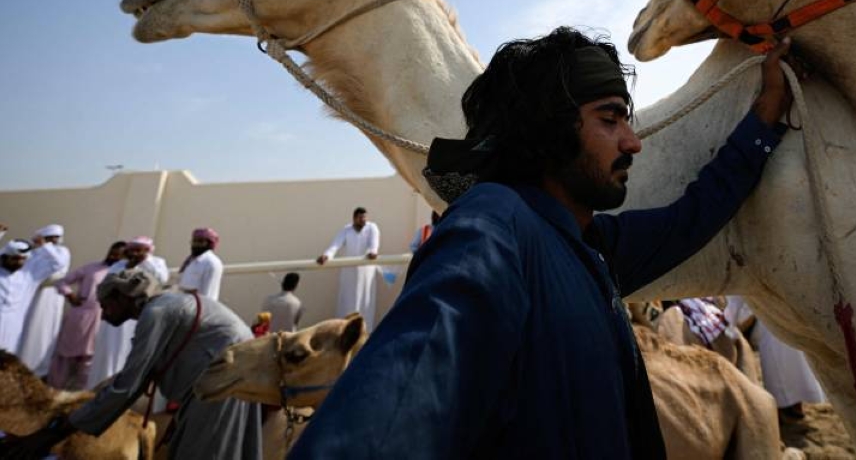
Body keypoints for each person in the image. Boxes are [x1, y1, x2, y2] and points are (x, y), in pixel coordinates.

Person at [291, 27, 793, 458]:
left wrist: (766, 116)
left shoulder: (592, 248)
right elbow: (391, 414)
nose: (633, 142)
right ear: (551, 130)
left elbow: (694, 217)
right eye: (610, 119)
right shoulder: (491, 228)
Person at [0, 267, 262, 460]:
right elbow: (131, 378)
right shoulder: (166, 306)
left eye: (106, 306)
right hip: (218, 384)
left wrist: (55, 432)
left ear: (122, 297)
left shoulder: (156, 312)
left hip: (221, 386)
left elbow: (128, 386)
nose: (103, 316)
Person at [88, 236, 170, 388]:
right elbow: (109, 282)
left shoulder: (156, 263)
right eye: (133, 249)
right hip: (117, 314)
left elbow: (161, 278)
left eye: (139, 250)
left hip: (135, 315)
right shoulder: (119, 264)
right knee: (108, 350)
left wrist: (144, 262)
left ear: (147, 250)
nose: (135, 253)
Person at [725, 296, 825, 420]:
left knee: (785, 332)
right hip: (748, 316)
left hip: (768, 312)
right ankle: (783, 404)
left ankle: (792, 402)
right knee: (775, 336)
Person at [48, 241, 127, 390]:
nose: (113, 256)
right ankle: (54, 388)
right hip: (80, 316)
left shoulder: (123, 273)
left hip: (102, 320)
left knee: (89, 360)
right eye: (112, 251)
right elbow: (62, 282)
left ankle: (78, 396)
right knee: (65, 355)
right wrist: (70, 295)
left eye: (118, 254)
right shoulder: (92, 268)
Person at [17, 224, 72, 376]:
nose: (53, 241)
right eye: (49, 238)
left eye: (55, 238)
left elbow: (58, 265)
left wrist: (45, 247)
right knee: (26, 329)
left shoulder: (61, 252)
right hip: (31, 294)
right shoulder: (34, 254)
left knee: (43, 330)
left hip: (49, 295)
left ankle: (38, 370)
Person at [317, 207, 381, 330]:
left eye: (364, 218)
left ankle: (365, 331)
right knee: (347, 301)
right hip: (349, 272)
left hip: (366, 271)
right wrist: (326, 256)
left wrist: (372, 252)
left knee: (365, 300)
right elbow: (335, 245)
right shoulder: (346, 229)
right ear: (354, 218)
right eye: (360, 218)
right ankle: (343, 330)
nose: (363, 220)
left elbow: (374, 244)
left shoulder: (372, 227)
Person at [0, 240, 58, 353]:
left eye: (22, 259)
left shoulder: (29, 276)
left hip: (12, 326)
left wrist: (45, 246)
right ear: (5, 257)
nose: (19, 262)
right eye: (15, 259)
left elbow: (58, 264)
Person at [178, 226, 224, 300]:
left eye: (200, 241)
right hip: (185, 305)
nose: (195, 244)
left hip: (201, 307)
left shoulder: (211, 262)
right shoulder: (190, 261)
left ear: (209, 243)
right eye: (194, 241)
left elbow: (208, 293)